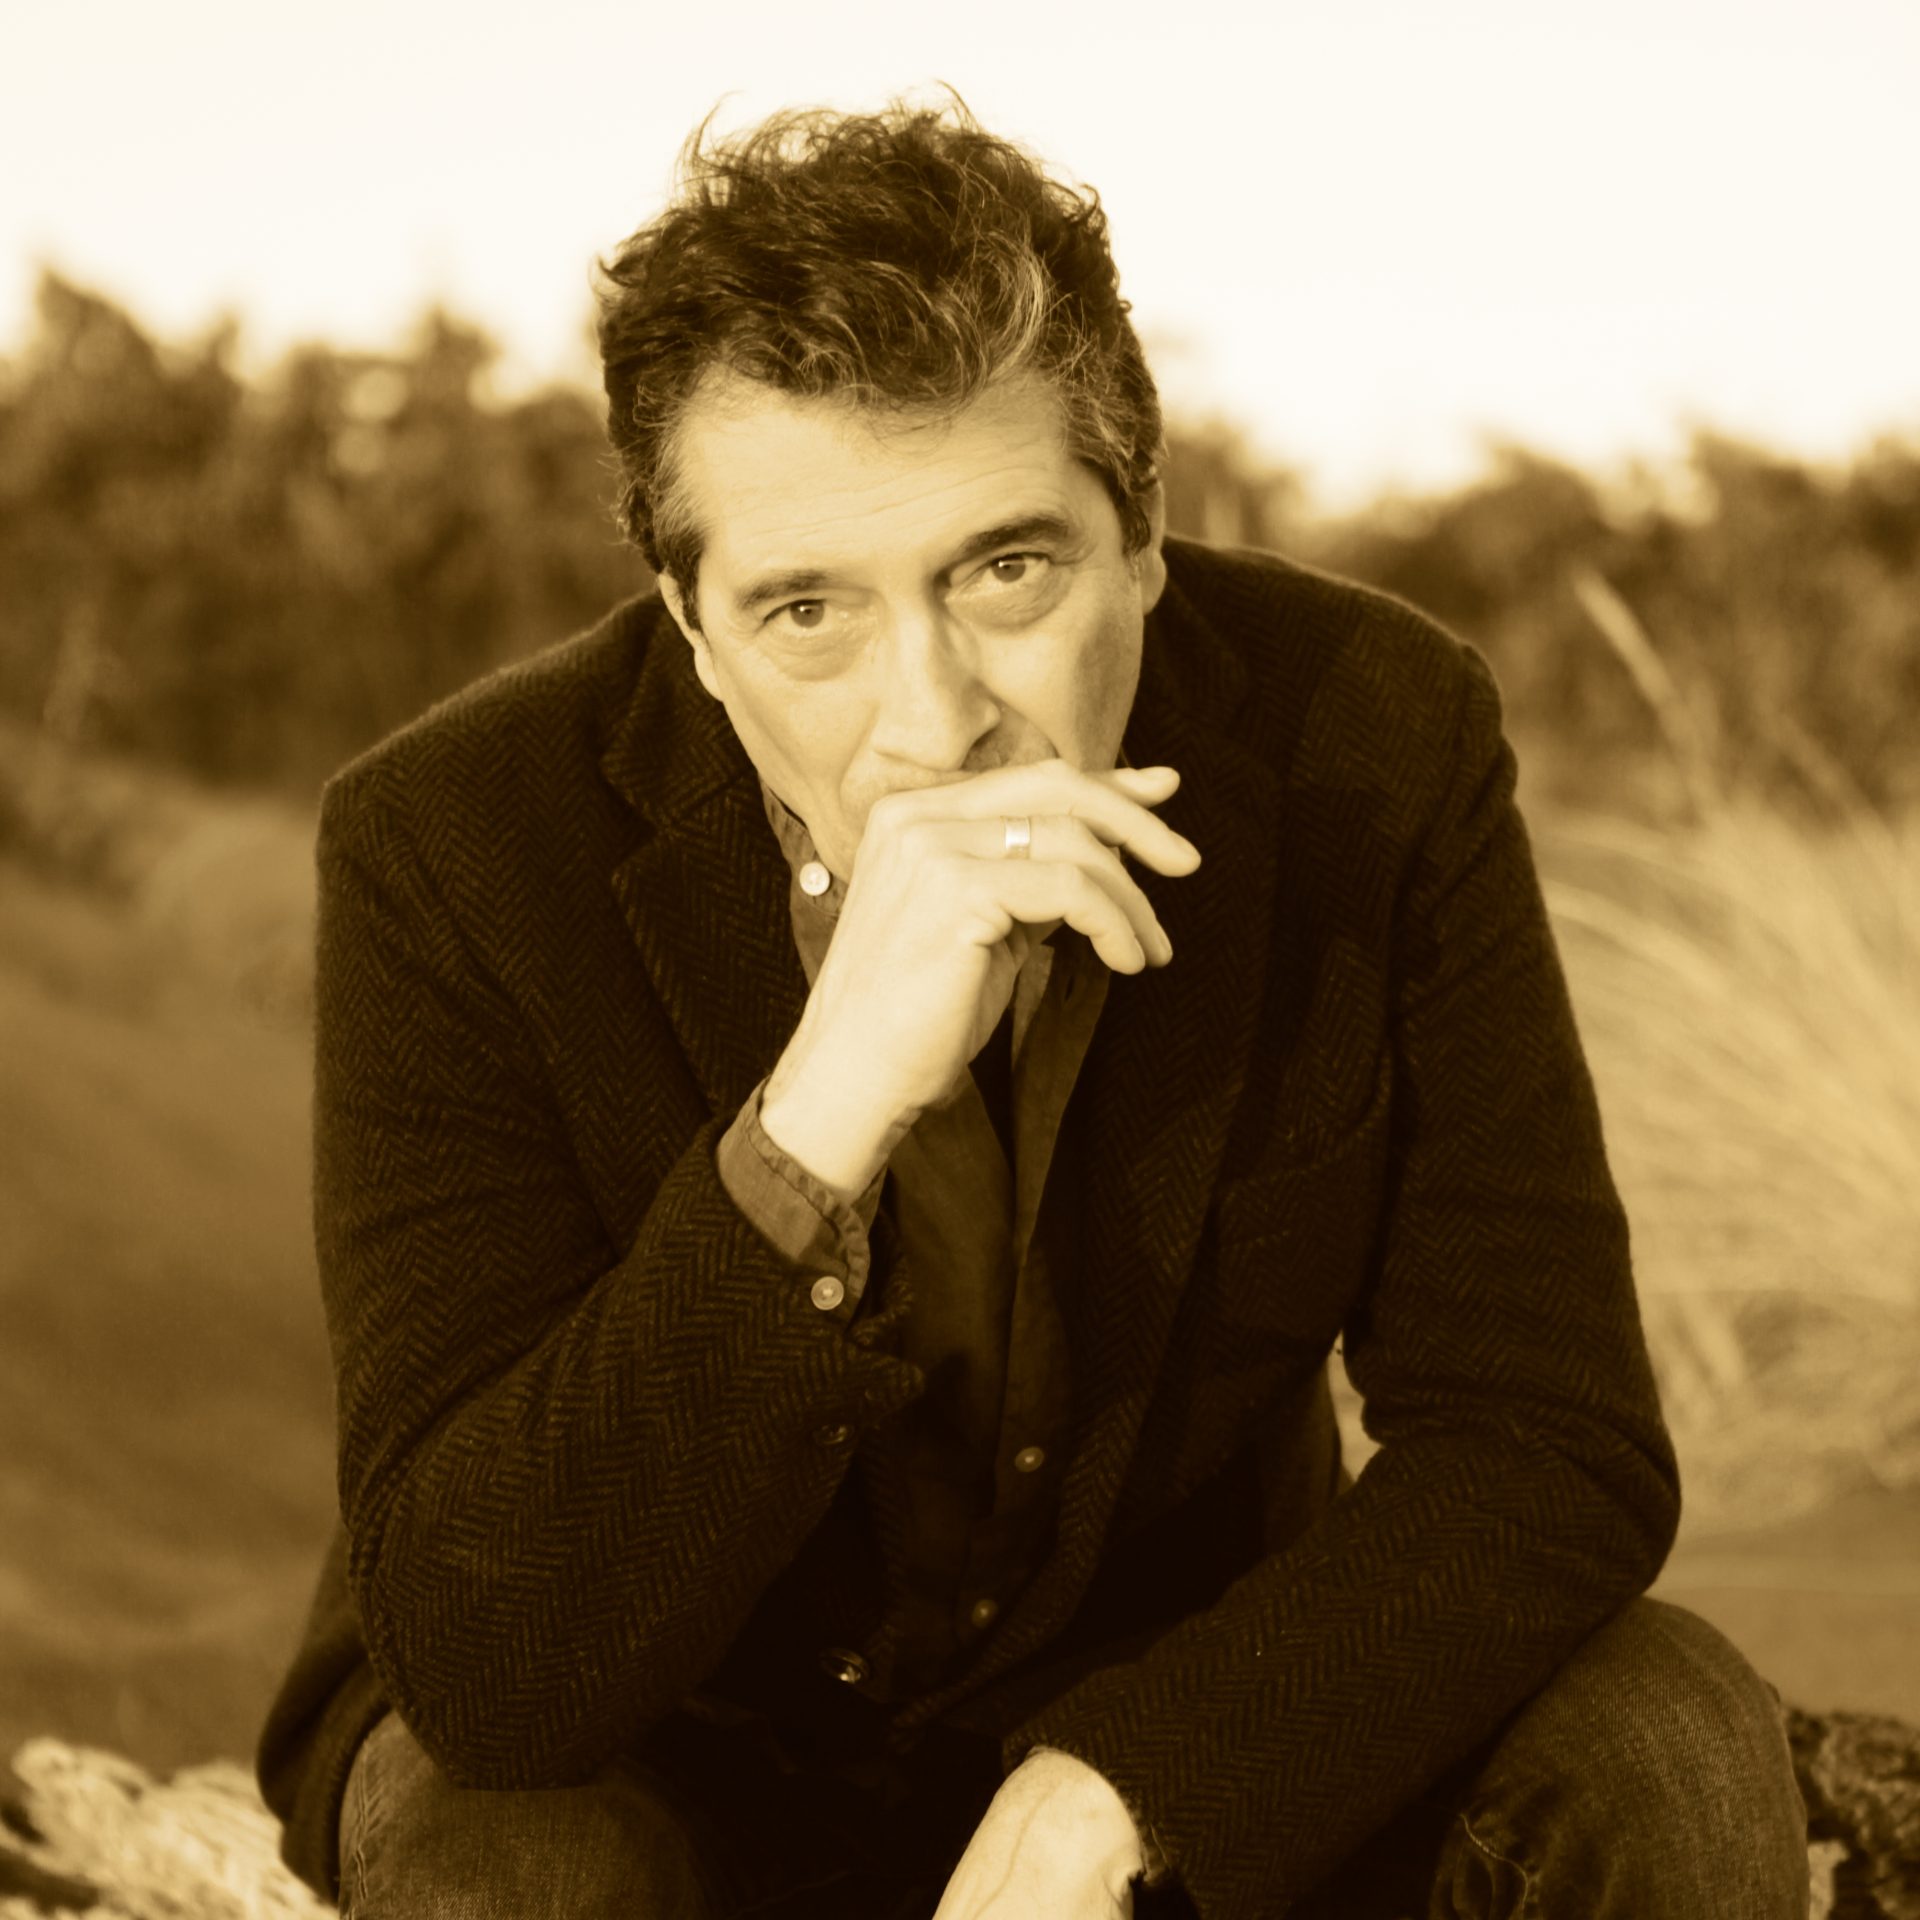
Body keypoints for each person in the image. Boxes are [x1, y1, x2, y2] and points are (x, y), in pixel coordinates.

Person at [256, 95, 1809, 1918]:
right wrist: (818, 1122)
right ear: (689, 629)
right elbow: (495, 1666)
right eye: (808, 612)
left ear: (1141, 535)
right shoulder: (449, 844)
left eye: (1009, 572)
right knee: (514, 1861)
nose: (932, 722)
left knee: (1668, 1732)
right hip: (648, 1742)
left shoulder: (1373, 740)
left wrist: (1137, 1782)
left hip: (1172, 1713)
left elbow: (1548, 1443)